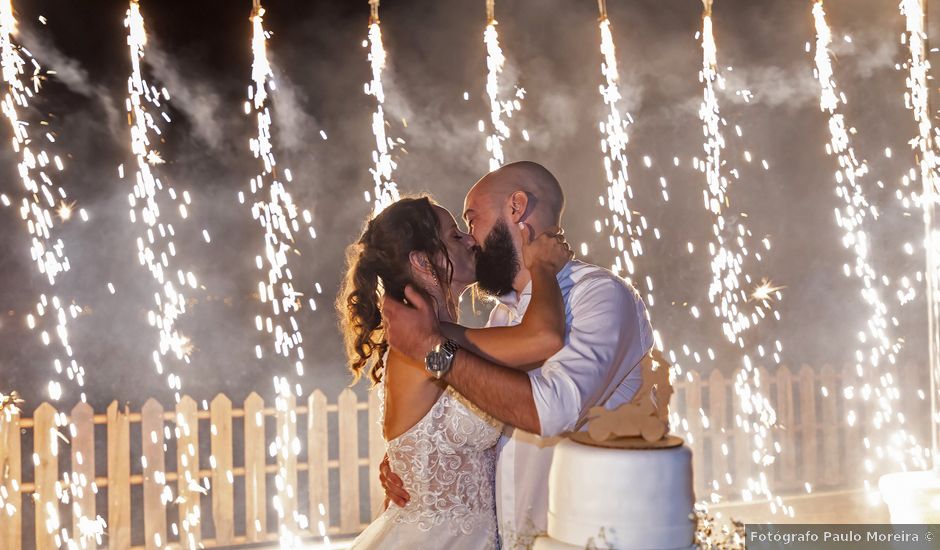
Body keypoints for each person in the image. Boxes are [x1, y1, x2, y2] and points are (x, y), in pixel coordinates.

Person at [381, 161, 655, 548]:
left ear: (516, 207)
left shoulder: (598, 295)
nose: (471, 239)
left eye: (471, 221)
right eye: (458, 232)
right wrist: (416, 464)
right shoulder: (500, 316)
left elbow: (551, 409)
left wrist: (432, 352)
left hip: (587, 537)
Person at [337, 195, 573, 549]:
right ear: (423, 261)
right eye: (454, 236)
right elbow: (545, 337)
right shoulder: (428, 344)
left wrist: (408, 462)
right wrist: (542, 267)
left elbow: (446, 382)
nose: (471, 240)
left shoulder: (439, 341)